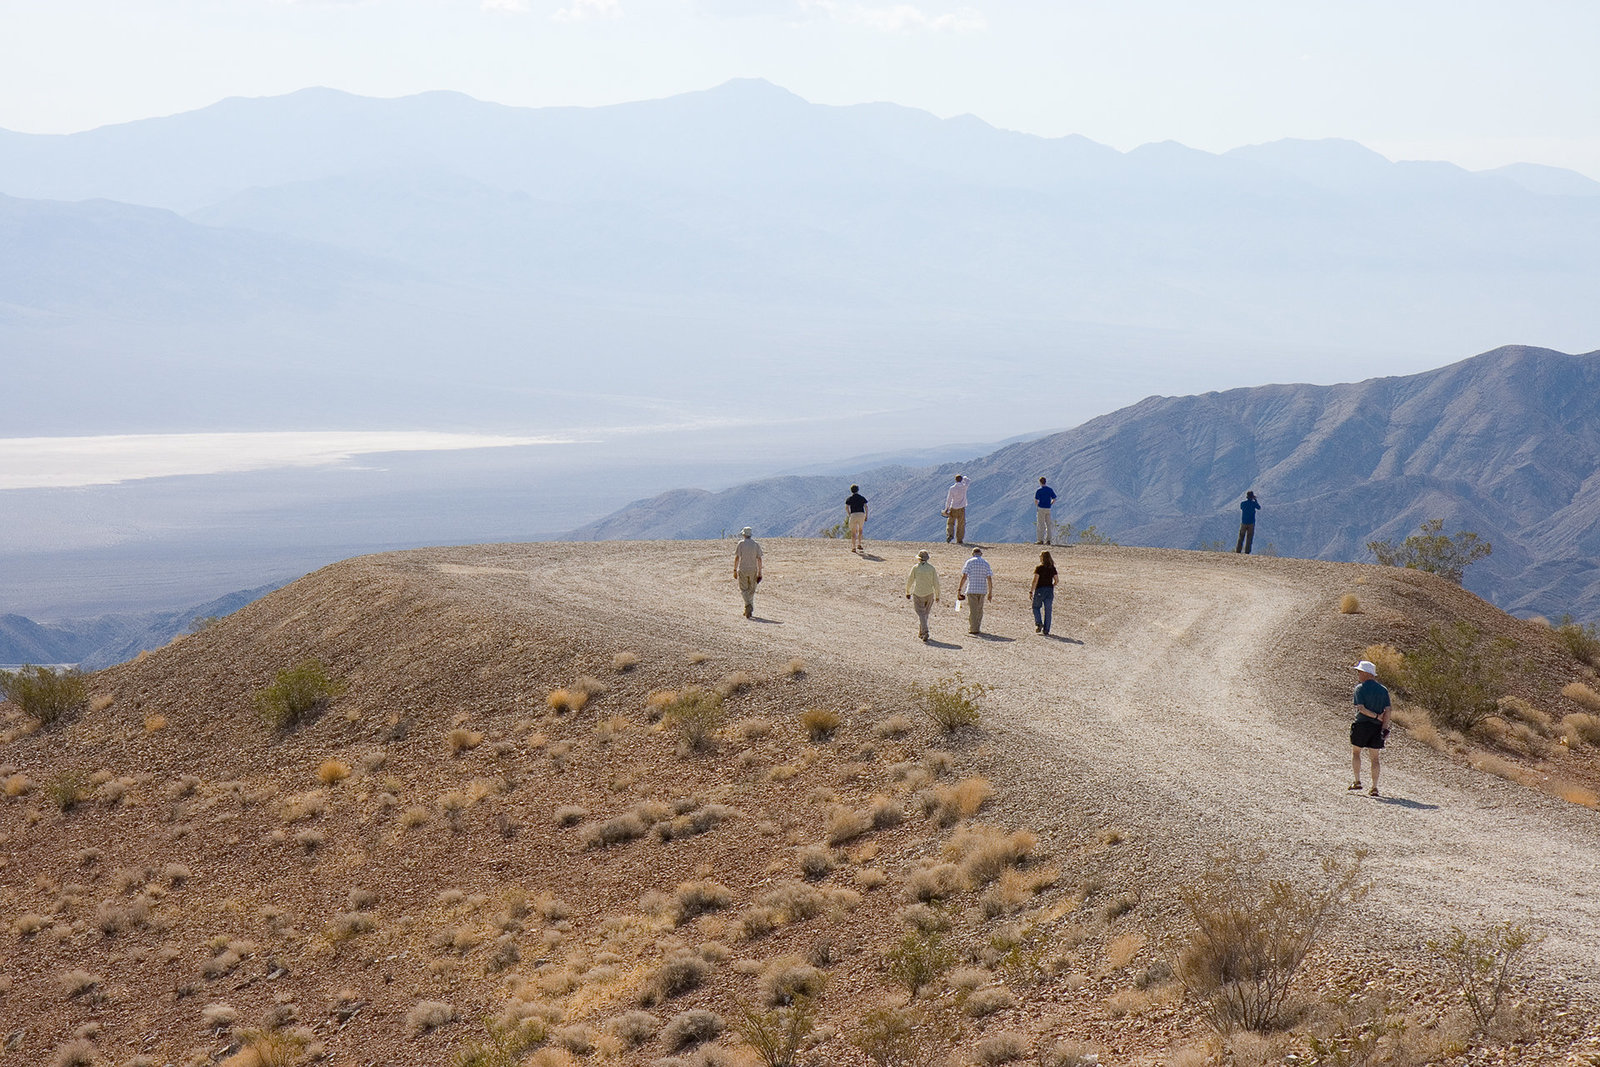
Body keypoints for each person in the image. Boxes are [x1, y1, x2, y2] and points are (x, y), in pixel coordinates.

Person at [1348, 659, 1391, 796]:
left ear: (1367, 673)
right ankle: (1374, 787)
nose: (1358, 674)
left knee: (1356, 752)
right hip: (1377, 728)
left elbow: (1361, 708)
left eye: (1360, 672)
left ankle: (1357, 781)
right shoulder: (1383, 690)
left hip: (1362, 725)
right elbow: (1388, 710)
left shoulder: (1359, 688)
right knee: (1375, 758)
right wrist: (1384, 727)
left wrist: (1375, 716)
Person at [904, 549, 941, 642]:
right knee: (925, 614)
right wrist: (937, 595)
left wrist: (907, 591)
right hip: (929, 593)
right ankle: (921, 632)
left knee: (921, 613)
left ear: (919, 559)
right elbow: (936, 582)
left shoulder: (916, 568)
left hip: (918, 593)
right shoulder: (932, 568)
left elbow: (910, 580)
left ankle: (925, 631)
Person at [956, 546, 994, 635]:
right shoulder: (985, 563)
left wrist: (959, 589)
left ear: (973, 554)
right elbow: (989, 578)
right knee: (979, 610)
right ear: (981, 554)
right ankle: (977, 627)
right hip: (982, 590)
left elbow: (964, 576)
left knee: (973, 610)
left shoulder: (969, 562)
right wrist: (990, 591)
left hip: (972, 589)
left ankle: (973, 628)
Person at [733, 527, 763, 618]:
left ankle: (748, 606)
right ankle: (748, 608)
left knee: (744, 589)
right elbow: (759, 559)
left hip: (743, 569)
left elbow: (737, 558)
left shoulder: (741, 544)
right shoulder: (756, 544)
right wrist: (760, 572)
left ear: (744, 534)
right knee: (751, 589)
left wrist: (735, 569)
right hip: (753, 569)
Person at [1028, 550, 1057, 635]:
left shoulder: (1039, 568)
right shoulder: (1052, 568)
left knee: (1036, 607)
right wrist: (1052, 586)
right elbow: (1056, 580)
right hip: (1049, 590)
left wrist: (1031, 591)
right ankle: (1046, 629)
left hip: (1040, 589)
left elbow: (1035, 580)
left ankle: (1039, 623)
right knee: (1048, 610)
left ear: (1043, 558)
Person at [944, 474, 969, 544]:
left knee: (950, 523)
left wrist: (947, 508)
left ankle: (950, 535)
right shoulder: (964, 487)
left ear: (955, 480)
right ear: (961, 480)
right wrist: (964, 478)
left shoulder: (952, 488)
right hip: (961, 508)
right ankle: (959, 539)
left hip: (953, 508)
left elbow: (949, 499)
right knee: (961, 524)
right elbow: (968, 480)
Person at [844, 484, 869, 553]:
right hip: (861, 514)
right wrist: (866, 515)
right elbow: (866, 507)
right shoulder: (862, 498)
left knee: (853, 531)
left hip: (853, 514)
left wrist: (849, 514)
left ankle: (853, 547)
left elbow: (846, 507)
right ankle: (859, 544)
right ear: (857, 490)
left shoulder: (849, 498)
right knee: (860, 530)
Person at [1034, 476, 1057, 545]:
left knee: (1041, 524)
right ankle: (1048, 540)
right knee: (1048, 524)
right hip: (1048, 508)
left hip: (1041, 508)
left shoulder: (1039, 491)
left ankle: (1040, 540)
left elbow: (1036, 500)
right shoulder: (1050, 490)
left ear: (1040, 482)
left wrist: (1038, 506)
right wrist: (1050, 504)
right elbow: (1054, 498)